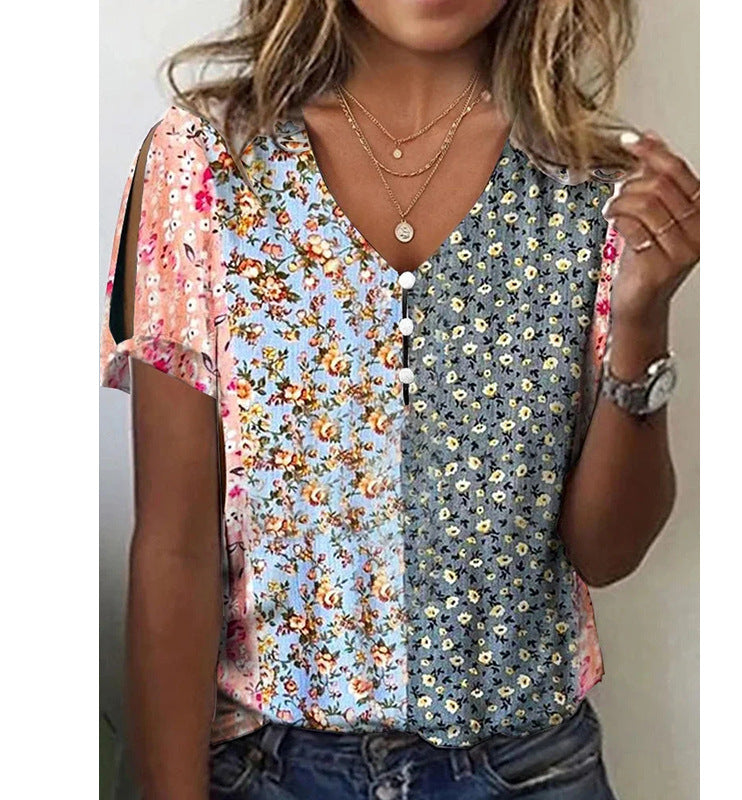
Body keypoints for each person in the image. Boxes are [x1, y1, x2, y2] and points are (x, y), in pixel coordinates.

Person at [99, 1, 700, 798]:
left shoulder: (594, 187)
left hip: (528, 768)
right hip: (269, 770)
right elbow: (174, 546)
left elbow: (606, 552)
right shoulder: (206, 164)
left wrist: (643, 316)